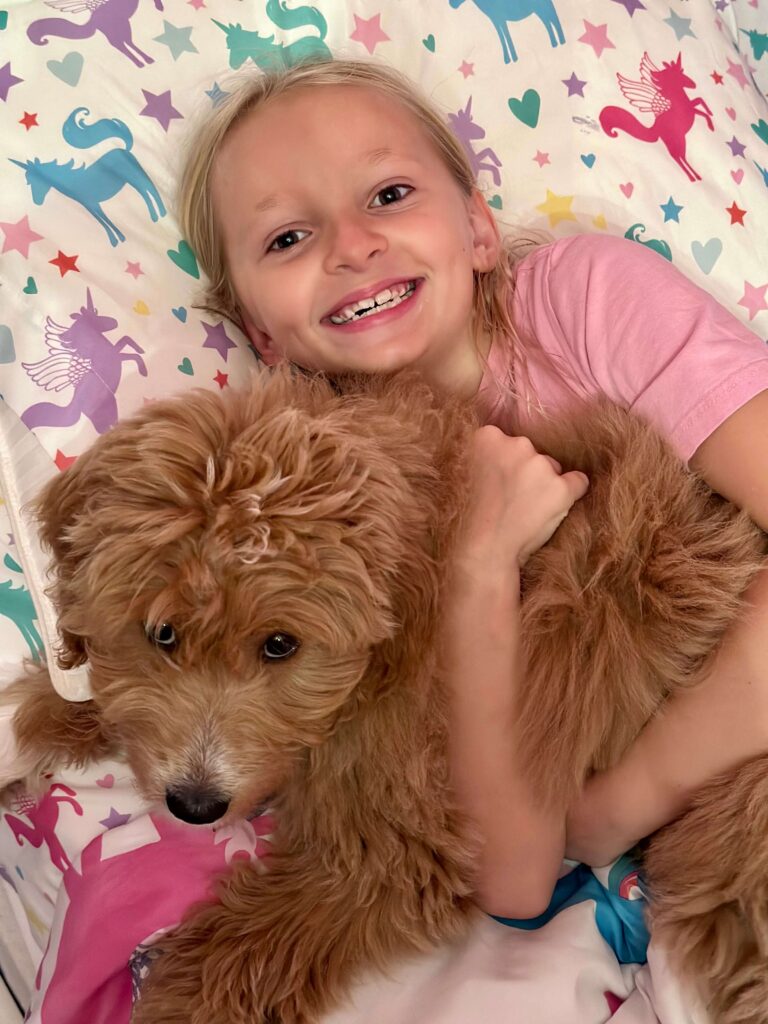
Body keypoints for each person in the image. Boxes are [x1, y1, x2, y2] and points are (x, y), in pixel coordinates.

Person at [175, 58, 768, 923]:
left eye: (387, 196)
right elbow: (514, 881)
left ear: (480, 229)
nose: (351, 246)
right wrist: (480, 566)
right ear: (257, 331)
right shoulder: (332, 508)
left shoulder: (583, 297)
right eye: (287, 239)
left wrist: (615, 805)